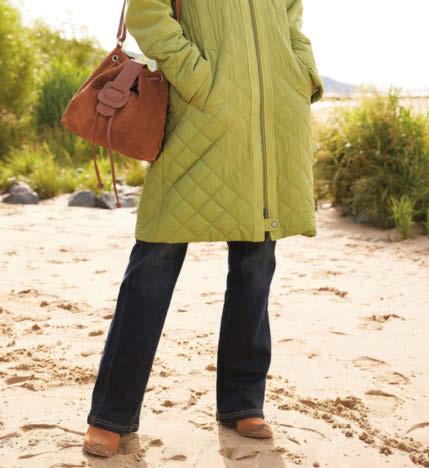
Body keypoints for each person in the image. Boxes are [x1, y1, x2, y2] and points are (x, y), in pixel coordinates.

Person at [83, 0, 323, 457]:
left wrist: (301, 73)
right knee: (153, 262)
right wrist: (199, 78)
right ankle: (112, 414)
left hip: (273, 121)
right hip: (196, 115)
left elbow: (291, 18)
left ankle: (243, 402)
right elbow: (147, 13)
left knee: (256, 265)